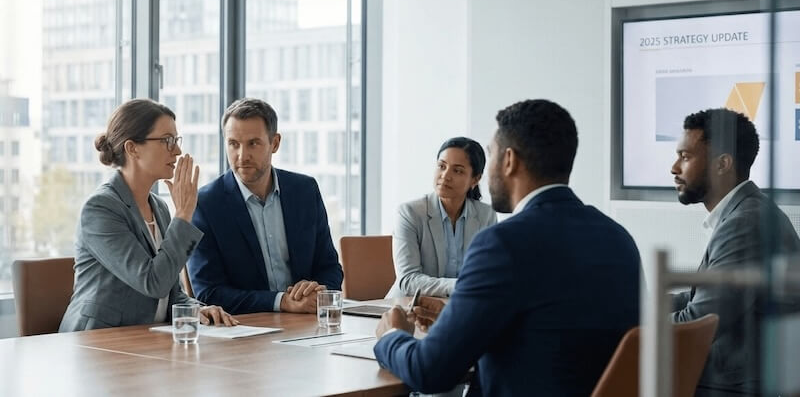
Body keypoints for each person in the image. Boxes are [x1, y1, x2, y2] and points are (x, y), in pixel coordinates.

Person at [373, 99, 641, 396]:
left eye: (491, 154)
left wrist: (391, 336)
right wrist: (460, 320)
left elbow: (429, 372)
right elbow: (552, 332)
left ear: (509, 160)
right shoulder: (619, 239)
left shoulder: (503, 244)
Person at [59, 99, 237, 332]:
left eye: (176, 140)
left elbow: (172, 293)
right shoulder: (100, 208)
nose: (177, 150)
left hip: (145, 340)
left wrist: (196, 308)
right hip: (98, 343)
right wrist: (183, 214)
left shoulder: (159, 207)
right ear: (132, 148)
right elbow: (153, 283)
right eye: (167, 141)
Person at [670, 108, 800, 396]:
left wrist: (625, 323)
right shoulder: (747, 212)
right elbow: (704, 298)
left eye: (686, 156)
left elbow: (699, 324)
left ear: (722, 164)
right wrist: (641, 305)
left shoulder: (745, 223)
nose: (674, 168)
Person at [187, 98, 343, 315]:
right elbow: (208, 292)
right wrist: (281, 302)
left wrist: (319, 290)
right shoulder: (205, 204)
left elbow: (329, 266)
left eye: (253, 143)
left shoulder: (305, 190)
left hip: (306, 323)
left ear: (275, 143)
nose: (242, 156)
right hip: (245, 331)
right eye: (233, 144)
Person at [386, 137, 497, 298]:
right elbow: (408, 280)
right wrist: (463, 286)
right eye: (441, 166)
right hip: (408, 309)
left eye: (457, 170)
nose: (445, 176)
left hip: (461, 309)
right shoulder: (410, 213)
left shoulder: (486, 215)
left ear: (475, 179)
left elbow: (487, 273)